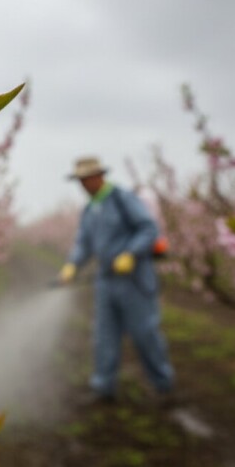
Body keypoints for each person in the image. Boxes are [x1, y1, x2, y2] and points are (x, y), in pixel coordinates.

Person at [59, 156, 174, 403]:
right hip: (105, 280)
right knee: (104, 335)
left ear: (99, 176)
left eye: (87, 179)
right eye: (80, 181)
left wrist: (130, 253)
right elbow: (84, 242)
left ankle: (162, 385)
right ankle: (103, 387)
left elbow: (148, 228)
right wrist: (72, 265)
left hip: (134, 279)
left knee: (145, 333)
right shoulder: (89, 210)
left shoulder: (122, 199)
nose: (84, 185)